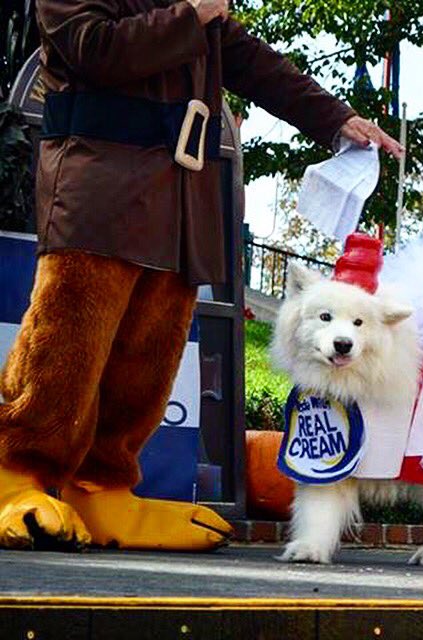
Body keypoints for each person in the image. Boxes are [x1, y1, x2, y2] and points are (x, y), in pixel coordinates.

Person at [0, 0, 402, 552]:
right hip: (99, 187)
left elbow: (252, 61)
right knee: (68, 342)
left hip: (182, 200)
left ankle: (102, 487)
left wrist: (335, 119)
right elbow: (91, 49)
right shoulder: (187, 9)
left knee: (148, 353)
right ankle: (15, 476)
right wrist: (192, 15)